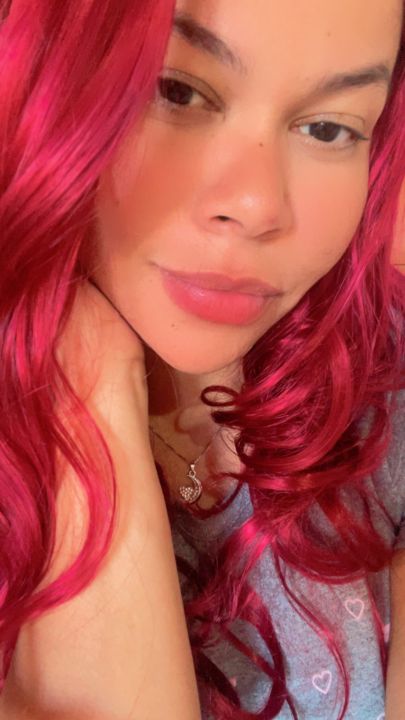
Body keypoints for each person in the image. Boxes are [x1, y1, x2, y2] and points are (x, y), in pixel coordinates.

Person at [0, 0, 404, 718]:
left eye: (328, 128)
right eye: (177, 90)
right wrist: (81, 373)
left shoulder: (380, 369)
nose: (257, 205)